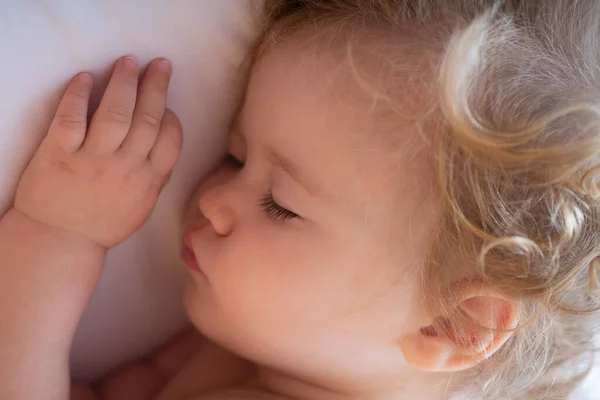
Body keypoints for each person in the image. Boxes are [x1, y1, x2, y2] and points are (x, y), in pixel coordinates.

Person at [1, 1, 599, 399]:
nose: (211, 196)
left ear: (454, 324)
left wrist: (56, 235)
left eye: (280, 205)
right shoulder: (258, 353)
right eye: (235, 155)